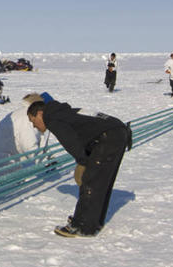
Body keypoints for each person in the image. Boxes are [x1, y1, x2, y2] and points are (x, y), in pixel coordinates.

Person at [27, 99, 131, 237]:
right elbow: (86, 133)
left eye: (32, 120)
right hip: (117, 131)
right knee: (100, 181)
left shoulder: (52, 118)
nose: (34, 125)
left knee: (90, 181)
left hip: (109, 137)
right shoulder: (64, 113)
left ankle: (82, 226)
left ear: (40, 113)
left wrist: (83, 162)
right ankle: (93, 222)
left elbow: (71, 141)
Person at [0, 92, 52, 174]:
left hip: (4, 160)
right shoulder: (27, 118)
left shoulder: (31, 115)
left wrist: (49, 157)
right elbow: (30, 147)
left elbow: (41, 141)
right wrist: (45, 163)